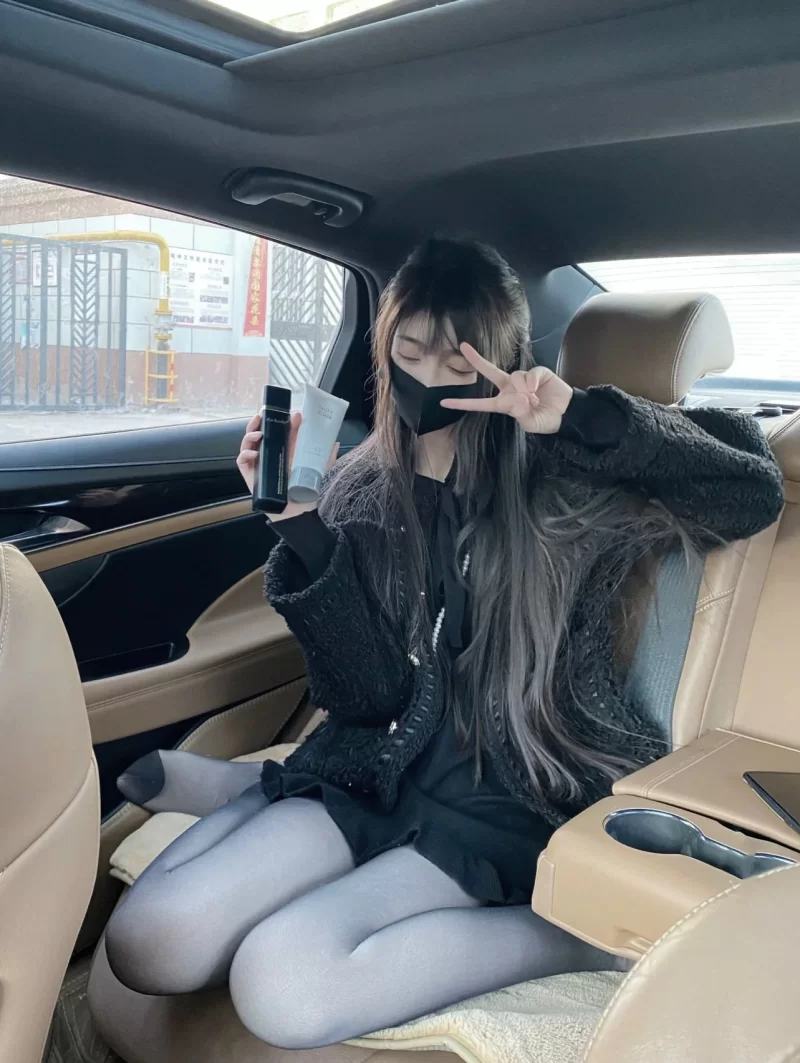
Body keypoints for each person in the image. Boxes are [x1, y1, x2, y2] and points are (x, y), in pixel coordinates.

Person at [103, 238, 783, 1050]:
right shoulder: (360, 484)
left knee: (280, 982)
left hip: (512, 784)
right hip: (374, 764)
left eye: (457, 360)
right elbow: (365, 696)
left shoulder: (574, 469)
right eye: (410, 351)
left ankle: (573, 937)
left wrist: (579, 415)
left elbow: (750, 489)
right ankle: (258, 787)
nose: (429, 377)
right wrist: (306, 532)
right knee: (148, 942)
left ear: (500, 358)